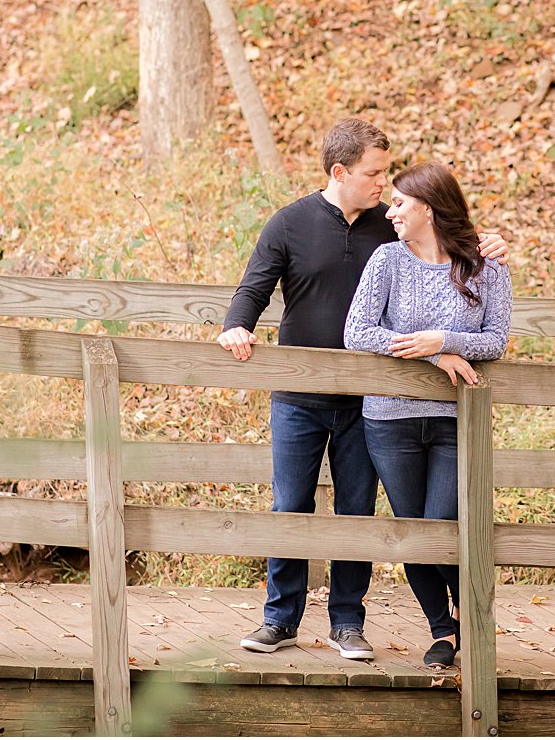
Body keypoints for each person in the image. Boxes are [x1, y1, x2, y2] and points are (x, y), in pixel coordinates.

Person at [219, 120, 507, 661]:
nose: (383, 185)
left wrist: (489, 242)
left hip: (373, 401)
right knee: (290, 505)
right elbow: (254, 285)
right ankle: (279, 619)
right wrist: (238, 325)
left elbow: (446, 243)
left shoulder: (390, 225)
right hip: (299, 393)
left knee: (358, 508)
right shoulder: (291, 223)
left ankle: (348, 622)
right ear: (340, 172)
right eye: (374, 174)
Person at [343, 161, 512, 669]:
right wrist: (433, 355)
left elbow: (496, 341)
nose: (390, 212)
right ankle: (446, 631)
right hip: (389, 418)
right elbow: (357, 332)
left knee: (442, 523)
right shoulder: (387, 260)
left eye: (399, 203)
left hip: (454, 419)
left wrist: (447, 339)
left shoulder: (486, 266)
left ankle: (471, 615)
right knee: (414, 531)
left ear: (429, 210)